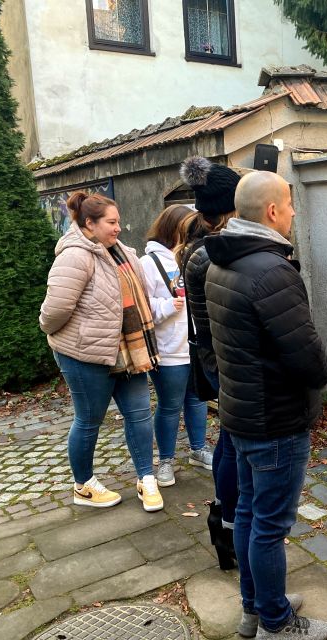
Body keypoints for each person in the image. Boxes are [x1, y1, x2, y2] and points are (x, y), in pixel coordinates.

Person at [204, 171, 327, 639]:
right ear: (273, 211)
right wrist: (323, 377)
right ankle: (277, 624)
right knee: (270, 526)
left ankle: (256, 607)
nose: (295, 212)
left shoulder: (221, 260)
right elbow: (306, 355)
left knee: (249, 514)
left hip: (240, 412)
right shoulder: (271, 270)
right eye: (290, 204)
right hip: (275, 419)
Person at [39, 192, 164, 512]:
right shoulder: (75, 255)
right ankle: (83, 485)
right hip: (85, 354)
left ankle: (146, 478)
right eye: (112, 222)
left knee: (139, 413)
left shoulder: (122, 252)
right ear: (89, 224)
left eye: (119, 221)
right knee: (89, 419)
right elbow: (55, 309)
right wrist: (53, 331)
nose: (119, 228)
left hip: (128, 350)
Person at [179, 157, 243, 570]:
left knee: (228, 443)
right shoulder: (213, 256)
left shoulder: (198, 250)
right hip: (224, 362)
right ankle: (231, 529)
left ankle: (224, 520)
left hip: (212, 359)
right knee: (236, 449)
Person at [139, 205, 212, 491]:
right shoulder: (148, 263)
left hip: (194, 345)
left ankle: (198, 449)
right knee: (170, 406)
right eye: (189, 227)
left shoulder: (192, 256)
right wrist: (169, 306)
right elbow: (143, 307)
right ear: (174, 228)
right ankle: (166, 460)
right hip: (169, 349)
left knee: (197, 400)